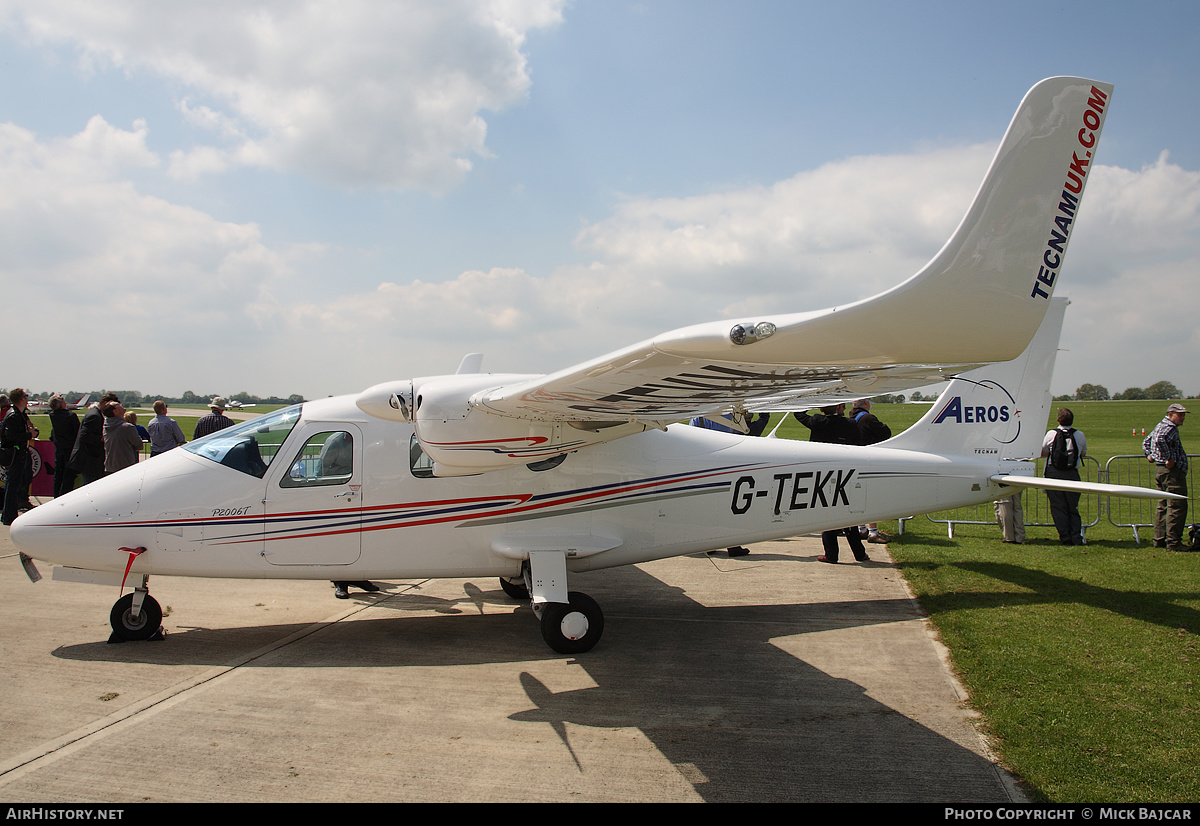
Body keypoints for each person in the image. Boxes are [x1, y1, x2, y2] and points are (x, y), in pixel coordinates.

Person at [795, 404, 868, 564]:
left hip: (823, 474)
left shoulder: (817, 421)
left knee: (827, 515)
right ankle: (859, 553)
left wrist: (811, 402)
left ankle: (831, 554)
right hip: (844, 473)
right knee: (848, 517)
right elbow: (858, 445)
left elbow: (798, 414)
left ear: (821, 409)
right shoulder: (849, 423)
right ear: (839, 408)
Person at [689, 411, 770, 557]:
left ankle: (708, 544)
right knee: (727, 509)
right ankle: (732, 545)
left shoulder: (697, 418)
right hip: (723, 467)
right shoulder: (725, 417)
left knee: (708, 508)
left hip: (704, 468)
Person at [1144, 403, 1189, 551]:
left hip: (1161, 470)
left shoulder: (1160, 425)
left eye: (1183, 414)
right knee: (1176, 505)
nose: (1182, 418)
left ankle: (1159, 539)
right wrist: (1169, 459)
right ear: (1170, 414)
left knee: (1163, 505)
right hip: (1171, 472)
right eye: (1179, 414)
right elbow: (1160, 440)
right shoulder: (1169, 428)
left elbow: (1146, 441)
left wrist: (1150, 455)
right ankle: (1173, 542)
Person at [1041, 408, 1087, 545]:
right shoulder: (1079, 435)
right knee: (1072, 507)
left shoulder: (1051, 434)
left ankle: (1065, 537)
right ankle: (1076, 536)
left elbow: (1043, 451)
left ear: (1058, 420)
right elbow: (1083, 453)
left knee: (1058, 507)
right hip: (1072, 474)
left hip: (1053, 473)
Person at [851, 399, 892, 543]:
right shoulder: (868, 418)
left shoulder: (850, 419)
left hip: (854, 460)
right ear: (866, 404)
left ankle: (861, 529)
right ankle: (873, 532)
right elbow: (886, 433)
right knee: (871, 497)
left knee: (859, 496)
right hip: (868, 460)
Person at [2, 388, 39, 525]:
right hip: (14, 455)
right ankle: (9, 516)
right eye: (26, 396)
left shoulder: (20, 414)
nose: (27, 399)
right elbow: (10, 436)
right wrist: (29, 435)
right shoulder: (13, 415)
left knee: (14, 485)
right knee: (12, 485)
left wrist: (31, 432)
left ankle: (8, 514)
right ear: (21, 399)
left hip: (19, 454)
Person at [69, 393, 118, 486]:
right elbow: (85, 436)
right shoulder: (94, 416)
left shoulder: (95, 414)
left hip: (90, 460)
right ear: (104, 403)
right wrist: (101, 438)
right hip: (90, 460)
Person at [48, 394, 80, 497]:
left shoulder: (53, 415)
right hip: (69, 448)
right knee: (68, 475)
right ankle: (65, 495)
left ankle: (56, 495)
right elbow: (78, 431)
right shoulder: (70, 416)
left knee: (58, 474)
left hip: (59, 447)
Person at [103, 401, 143, 474]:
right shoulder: (127, 427)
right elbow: (139, 445)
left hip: (110, 467)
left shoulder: (105, 426)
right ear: (115, 411)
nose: (121, 405)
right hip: (126, 467)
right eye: (118, 405)